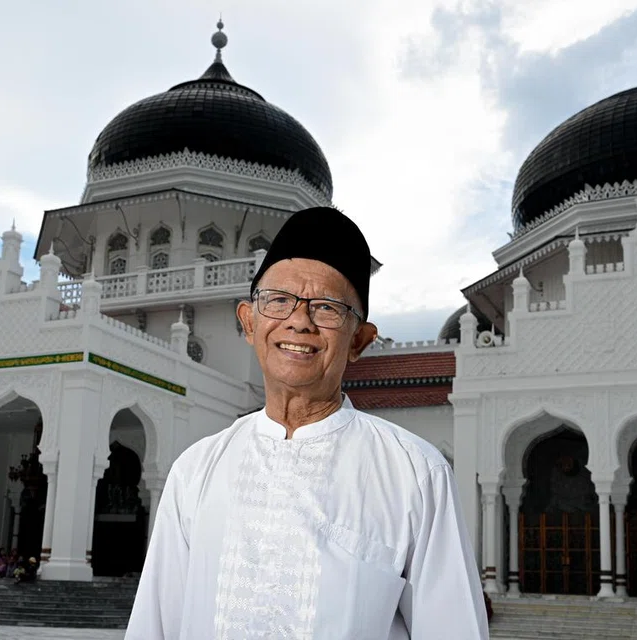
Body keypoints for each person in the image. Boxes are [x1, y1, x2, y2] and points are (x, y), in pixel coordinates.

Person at [126, 208, 489, 639]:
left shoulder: (415, 475)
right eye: (279, 301)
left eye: (327, 308)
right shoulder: (197, 471)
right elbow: (156, 625)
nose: (299, 320)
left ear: (359, 341)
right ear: (248, 321)